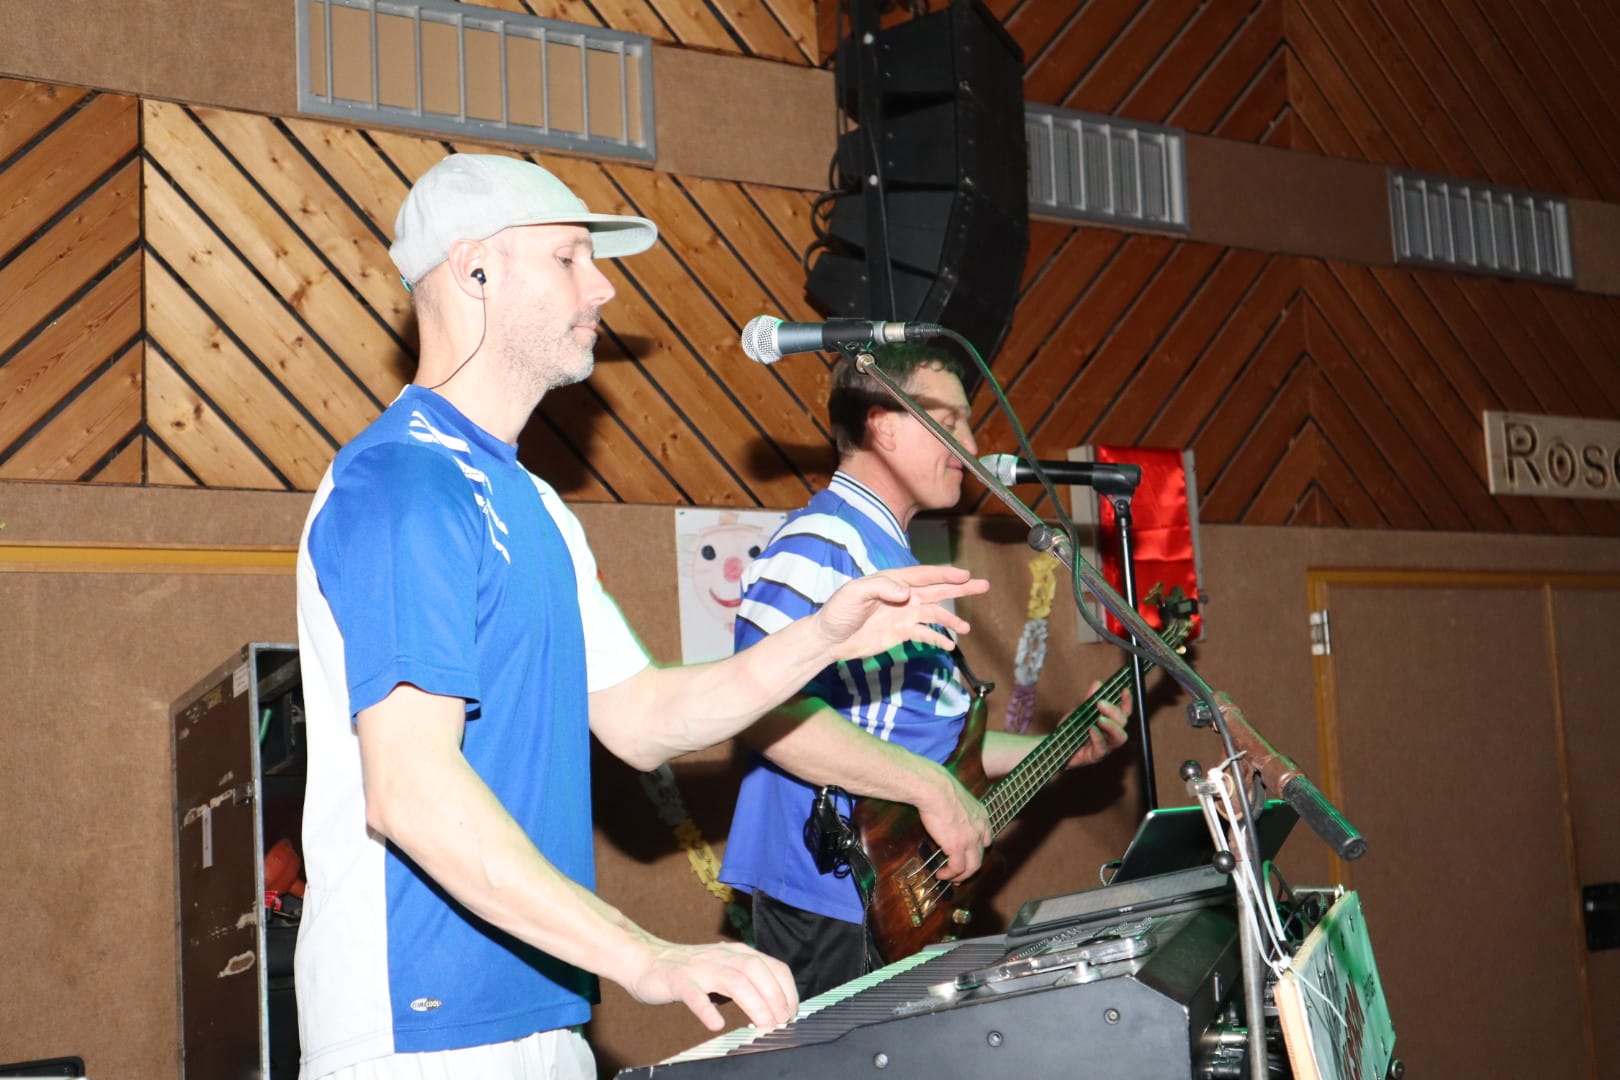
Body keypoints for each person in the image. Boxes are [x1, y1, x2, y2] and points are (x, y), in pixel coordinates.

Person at [292, 153, 990, 1080]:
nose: (604, 288)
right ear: (475, 269)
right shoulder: (404, 482)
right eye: (569, 258)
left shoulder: (535, 506)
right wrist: (643, 954)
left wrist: (819, 637)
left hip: (540, 1006)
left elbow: (645, 719)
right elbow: (411, 788)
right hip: (420, 1020)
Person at [720, 343, 1131, 1000]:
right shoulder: (822, 542)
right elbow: (761, 709)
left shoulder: (890, 554)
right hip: (835, 895)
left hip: (900, 898)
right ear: (884, 425)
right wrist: (934, 793)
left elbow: (935, 745)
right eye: (951, 422)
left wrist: (1059, 750)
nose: (971, 445)